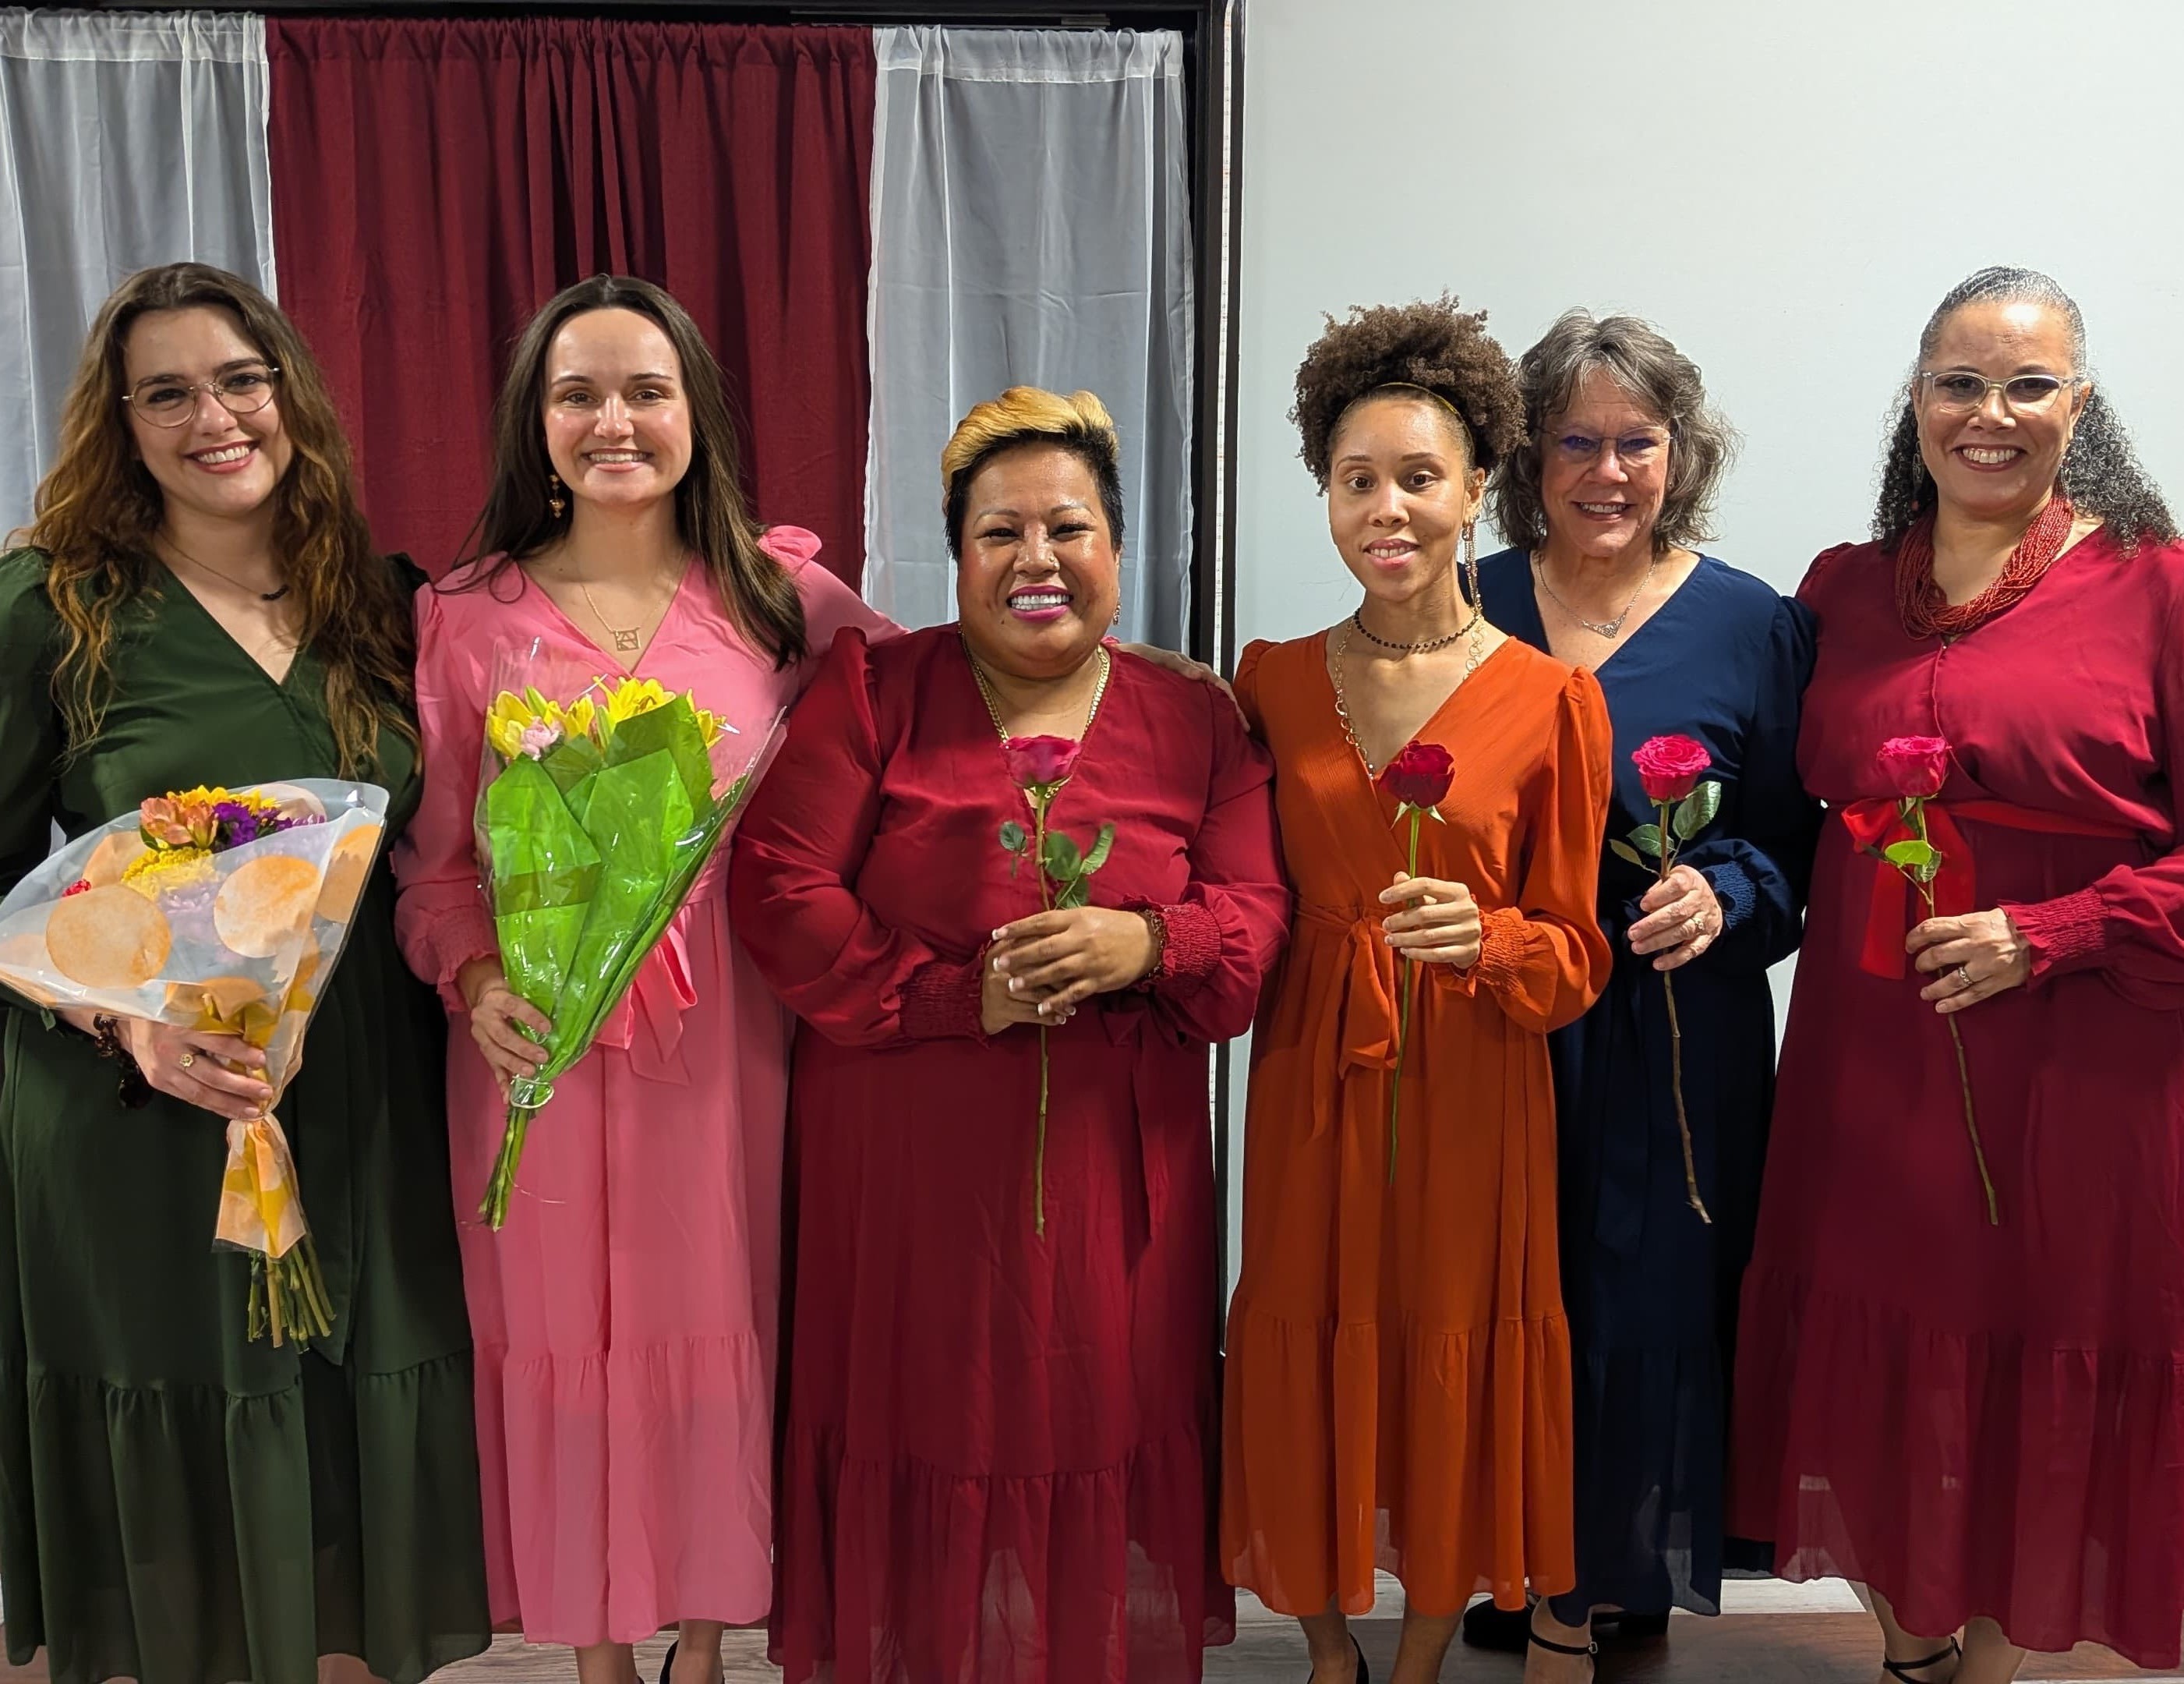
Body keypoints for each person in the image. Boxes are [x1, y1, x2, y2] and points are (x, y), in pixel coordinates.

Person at [728, 385, 1288, 1684]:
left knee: (1096, 1416)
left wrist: (1150, 943)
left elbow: (1255, 918)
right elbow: (779, 887)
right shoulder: (877, 690)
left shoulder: (1195, 716)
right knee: (917, 1422)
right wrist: (951, 996)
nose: (1037, 559)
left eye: (1068, 527)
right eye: (999, 532)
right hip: (903, 1176)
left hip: (1109, 1184)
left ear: (1116, 547)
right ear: (954, 554)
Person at [391, 274, 894, 1684]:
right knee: (555, 1333)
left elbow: (944, 718)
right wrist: (473, 977)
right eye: (578, 394)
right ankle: (600, 1659)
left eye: (645, 391)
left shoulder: (782, 598)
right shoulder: (464, 618)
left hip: (728, 1038)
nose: (613, 421)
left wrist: (1133, 684)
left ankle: (707, 1645)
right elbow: (435, 861)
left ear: (695, 414)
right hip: (533, 1046)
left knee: (720, 1314)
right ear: (535, 424)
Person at [0, 262, 490, 1684]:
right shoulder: (52, 606)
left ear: (289, 394)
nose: (213, 419)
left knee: (346, 1510)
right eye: (165, 395)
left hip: (366, 1103)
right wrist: (130, 1027)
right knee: (190, 1539)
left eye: (238, 380)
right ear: (119, 424)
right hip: (141, 1113)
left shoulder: (386, 603)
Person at [1729, 266, 2184, 1684]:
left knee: (2034, 1348)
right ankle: (1913, 1656)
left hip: (2080, 1055)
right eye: (1959, 383)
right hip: (1868, 1050)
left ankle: (1977, 1669)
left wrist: (2055, 932)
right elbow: (1767, 801)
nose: (1991, 413)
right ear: (1915, 400)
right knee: (1872, 1342)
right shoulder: (1840, 588)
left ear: (2079, 406)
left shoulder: (2157, 589)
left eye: (2027, 384)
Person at [1221, 298, 1615, 1684]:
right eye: (1354, 480)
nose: (1385, 509)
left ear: (1476, 488)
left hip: (1472, 1087)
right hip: (1312, 1076)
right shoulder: (1267, 683)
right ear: (1325, 495)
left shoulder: (1555, 701)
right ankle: (1328, 1651)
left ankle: (1423, 1657)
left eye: (1416, 477)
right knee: (1299, 1318)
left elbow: (1575, 958)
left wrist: (1490, 938)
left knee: (1452, 1340)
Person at [1464, 310, 1818, 1679]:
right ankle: (1522, 1562)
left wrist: (1724, 895)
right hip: (1504, 1020)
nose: (1605, 472)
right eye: (1573, 442)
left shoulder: (1752, 624)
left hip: (1679, 1026)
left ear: (1683, 454)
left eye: (1636, 443)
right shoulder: (1462, 603)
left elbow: (1793, 844)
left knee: (1653, 1296)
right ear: (1525, 460)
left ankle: (1614, 1576)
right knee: (1514, 1290)